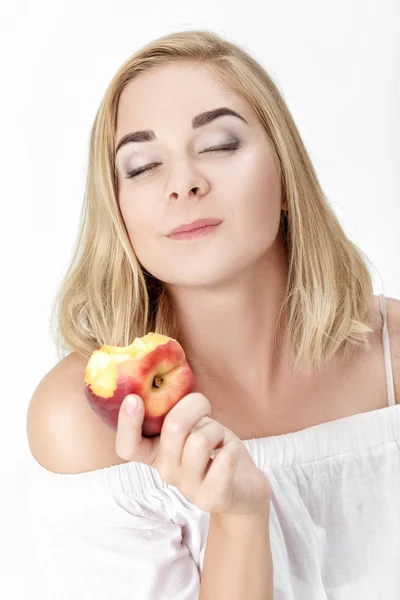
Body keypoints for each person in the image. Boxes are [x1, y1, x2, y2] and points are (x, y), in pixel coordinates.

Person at [26, 29, 400, 599]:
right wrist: (239, 518)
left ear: (285, 178)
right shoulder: (82, 424)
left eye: (220, 145)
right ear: (119, 210)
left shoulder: (394, 353)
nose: (184, 184)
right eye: (144, 165)